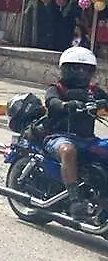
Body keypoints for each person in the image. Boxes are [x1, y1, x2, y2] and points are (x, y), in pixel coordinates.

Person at [42, 47, 108, 219]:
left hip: (88, 140)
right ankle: (74, 200)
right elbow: (52, 101)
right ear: (65, 68)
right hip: (58, 136)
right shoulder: (57, 88)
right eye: (76, 68)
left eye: (85, 69)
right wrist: (65, 105)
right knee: (68, 150)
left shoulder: (94, 92)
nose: (81, 73)